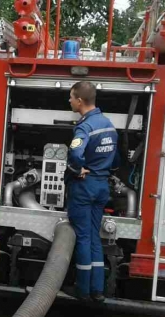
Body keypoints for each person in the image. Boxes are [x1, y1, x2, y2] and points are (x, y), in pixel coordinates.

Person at [65, 81, 119, 302]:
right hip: (101, 186)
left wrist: (78, 169)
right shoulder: (108, 125)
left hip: (84, 187)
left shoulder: (85, 127)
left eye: (71, 97)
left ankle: (83, 290)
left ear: (80, 100)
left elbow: (76, 153)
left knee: (83, 237)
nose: (69, 100)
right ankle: (98, 290)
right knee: (96, 237)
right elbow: (115, 159)